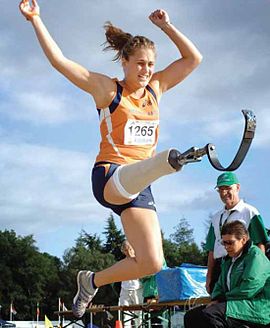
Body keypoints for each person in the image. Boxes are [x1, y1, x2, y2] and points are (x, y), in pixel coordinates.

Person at [19, 0, 202, 318]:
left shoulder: (156, 89)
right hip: (110, 176)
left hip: (140, 185)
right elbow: (60, 62)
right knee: (155, 166)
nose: (145, 70)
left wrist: (166, 27)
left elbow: (193, 59)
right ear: (125, 62)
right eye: (139, 64)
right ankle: (165, 163)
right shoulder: (108, 90)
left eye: (150, 64)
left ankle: (90, 282)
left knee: (151, 262)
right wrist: (36, 19)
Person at [184, 220, 270, 328]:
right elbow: (219, 285)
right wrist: (216, 299)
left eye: (230, 242)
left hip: (255, 308)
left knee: (210, 315)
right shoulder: (229, 260)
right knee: (191, 316)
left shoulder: (255, 256)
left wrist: (221, 300)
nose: (226, 246)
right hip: (235, 303)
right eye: (224, 242)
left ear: (243, 240)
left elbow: (249, 288)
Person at [205, 172, 269, 294]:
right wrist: (209, 277)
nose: (224, 193)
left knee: (236, 302)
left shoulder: (250, 212)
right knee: (216, 304)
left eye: (228, 188)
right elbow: (212, 249)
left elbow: (260, 245)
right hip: (219, 268)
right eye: (221, 189)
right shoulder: (216, 217)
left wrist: (260, 272)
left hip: (241, 265)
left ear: (237, 188)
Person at [119, 240, 143, 328]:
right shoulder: (122, 263)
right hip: (125, 289)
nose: (128, 252)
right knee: (125, 314)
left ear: (133, 249)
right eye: (125, 250)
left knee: (139, 314)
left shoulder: (140, 261)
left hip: (137, 289)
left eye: (129, 249)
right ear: (123, 251)